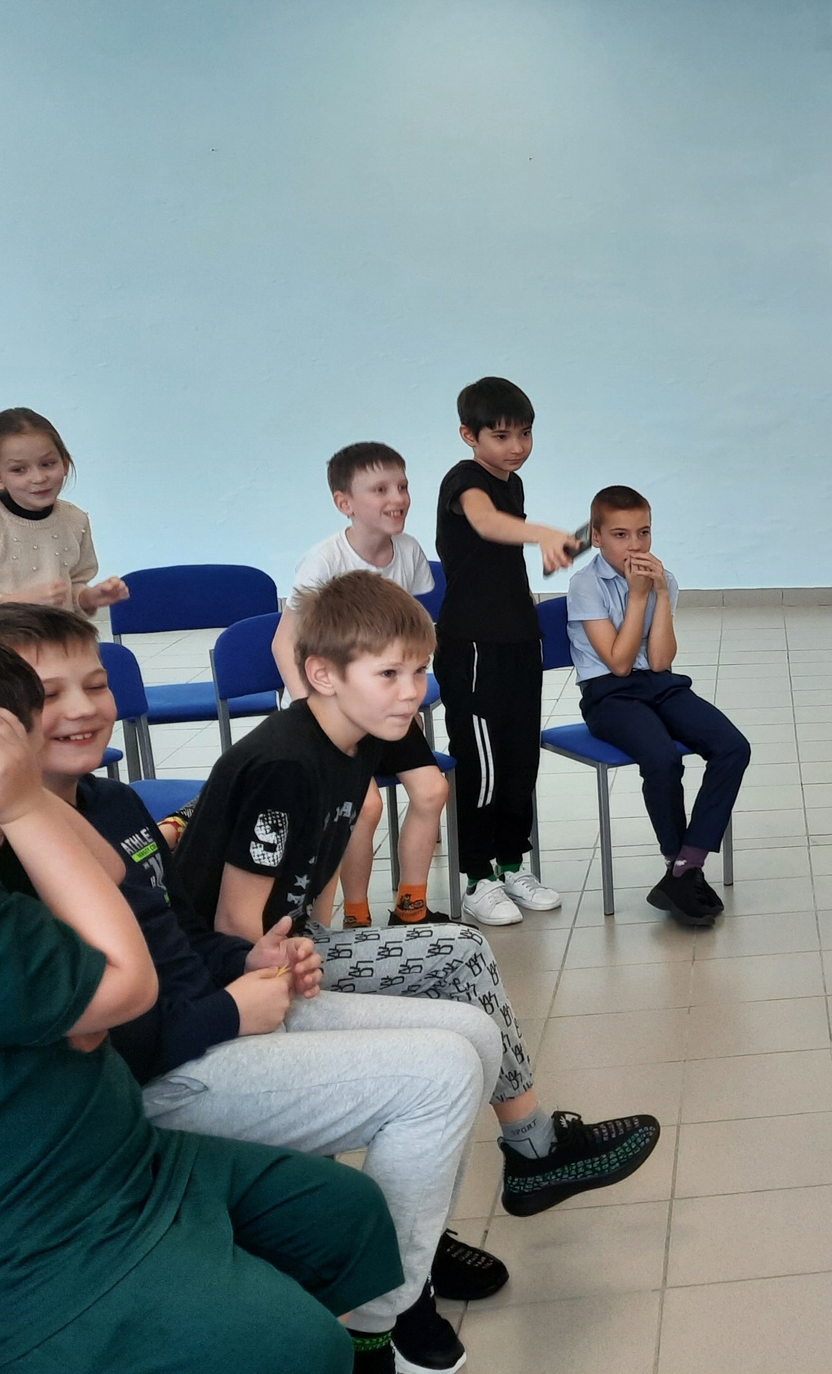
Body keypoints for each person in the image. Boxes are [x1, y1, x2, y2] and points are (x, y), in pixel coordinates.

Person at [0, 620, 400, 1374]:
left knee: (343, 1216)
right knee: (294, 1345)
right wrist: (19, 805)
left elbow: (112, 870)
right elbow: (129, 987)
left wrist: (25, 797)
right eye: (24, 754)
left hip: (98, 1175)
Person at [0, 602, 501, 1374]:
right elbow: (90, 1044)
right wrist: (226, 1011)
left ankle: (402, 1270)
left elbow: (181, 934)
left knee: (471, 1031)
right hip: (158, 1073)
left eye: (95, 684)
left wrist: (247, 961)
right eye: (49, 695)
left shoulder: (112, 803)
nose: (83, 708)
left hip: (207, 1021)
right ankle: (380, 1320)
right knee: (440, 1074)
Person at [173, 570, 663, 1219]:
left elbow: (310, 874)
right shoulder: (286, 763)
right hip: (229, 974)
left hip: (293, 947)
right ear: (322, 675)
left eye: (419, 672)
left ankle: (530, 1148)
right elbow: (235, 923)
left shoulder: (355, 737)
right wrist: (290, 993)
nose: (411, 692)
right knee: (453, 985)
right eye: (389, 674)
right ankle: (525, 1156)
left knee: (461, 952)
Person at [273, 441, 453, 929]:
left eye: (402, 486)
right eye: (380, 490)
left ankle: (411, 910)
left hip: (383, 708)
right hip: (333, 714)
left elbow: (406, 638)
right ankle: (356, 918)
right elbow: (284, 644)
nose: (397, 498)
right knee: (365, 806)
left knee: (432, 791)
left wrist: (403, 697)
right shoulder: (323, 561)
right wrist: (314, 713)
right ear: (345, 503)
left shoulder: (409, 552)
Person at [567, 483, 748, 926]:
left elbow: (662, 661)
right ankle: (676, 863)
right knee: (662, 759)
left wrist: (661, 594)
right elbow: (619, 663)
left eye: (643, 533)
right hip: (608, 694)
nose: (635, 545)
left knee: (732, 747)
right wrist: (638, 596)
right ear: (597, 537)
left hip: (660, 685)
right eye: (621, 535)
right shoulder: (584, 585)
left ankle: (687, 866)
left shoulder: (664, 580)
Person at [435, 375, 574, 916]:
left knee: (519, 758)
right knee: (483, 762)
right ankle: (477, 878)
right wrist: (543, 534)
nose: (517, 446)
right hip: (473, 646)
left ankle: (513, 865)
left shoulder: (512, 482)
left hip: (519, 638)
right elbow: (487, 523)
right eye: (501, 436)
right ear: (469, 435)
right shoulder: (464, 480)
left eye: (525, 433)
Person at [0, 407, 131, 619]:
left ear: (65, 464)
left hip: (57, 637)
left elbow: (72, 587)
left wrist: (88, 598)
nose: (39, 478)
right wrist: (13, 601)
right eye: (19, 470)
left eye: (47, 464)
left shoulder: (76, 520)